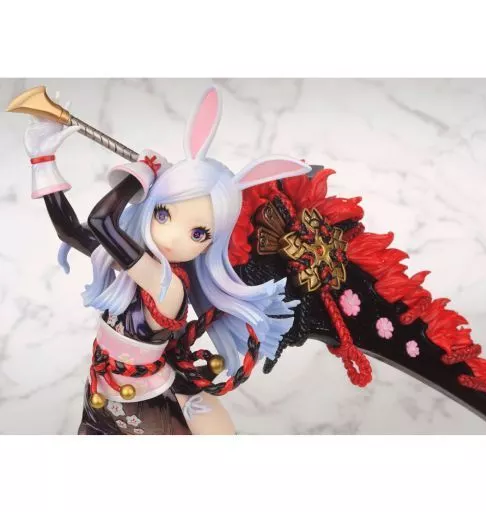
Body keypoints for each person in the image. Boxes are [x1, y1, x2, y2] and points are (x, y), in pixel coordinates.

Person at [24, 85, 311, 435]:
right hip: (101, 393)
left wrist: (139, 175)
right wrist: (42, 158)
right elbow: (70, 231)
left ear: (210, 245)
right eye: (163, 213)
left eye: (198, 233)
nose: (173, 237)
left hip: (142, 405)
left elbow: (101, 222)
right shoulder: (136, 266)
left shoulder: (167, 284)